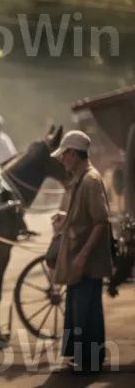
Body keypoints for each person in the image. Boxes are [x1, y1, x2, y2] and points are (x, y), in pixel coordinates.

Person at [50, 130, 113, 374]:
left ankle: (90, 363)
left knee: (87, 312)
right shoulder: (80, 178)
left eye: (65, 155)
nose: (63, 160)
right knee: (78, 310)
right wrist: (67, 217)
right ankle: (83, 360)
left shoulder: (91, 180)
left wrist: (82, 258)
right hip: (77, 258)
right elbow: (84, 216)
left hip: (86, 261)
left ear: (74, 154)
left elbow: (101, 221)